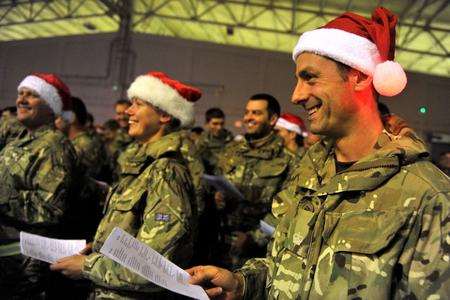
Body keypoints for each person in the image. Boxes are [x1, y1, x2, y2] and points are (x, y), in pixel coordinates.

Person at [188, 7, 449, 299]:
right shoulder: (310, 171)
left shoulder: (428, 196)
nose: (296, 95)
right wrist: (242, 283)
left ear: (360, 77)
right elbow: (286, 267)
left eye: (310, 78)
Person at [50, 71, 200, 299]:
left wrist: (87, 266)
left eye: (137, 105)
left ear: (164, 115)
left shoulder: (166, 172)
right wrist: (100, 247)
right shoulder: (144, 164)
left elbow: (155, 266)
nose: (128, 111)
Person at [0, 73, 77, 298]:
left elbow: (52, 209)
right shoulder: (21, 139)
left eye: (32, 95)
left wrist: (3, 198)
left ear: (51, 107)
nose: (22, 100)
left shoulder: (54, 146)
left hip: (24, 264)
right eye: (20, 94)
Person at [213, 94, 297, 268]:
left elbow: (286, 210)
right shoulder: (230, 151)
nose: (248, 118)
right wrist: (217, 198)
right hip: (219, 246)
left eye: (256, 113)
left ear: (272, 119)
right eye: (247, 112)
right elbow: (216, 183)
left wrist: (254, 238)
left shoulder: (288, 160)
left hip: (257, 254)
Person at [196, 107, 234, 175]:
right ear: (207, 124)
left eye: (222, 124)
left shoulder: (230, 139)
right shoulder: (201, 142)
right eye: (215, 124)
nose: (219, 127)